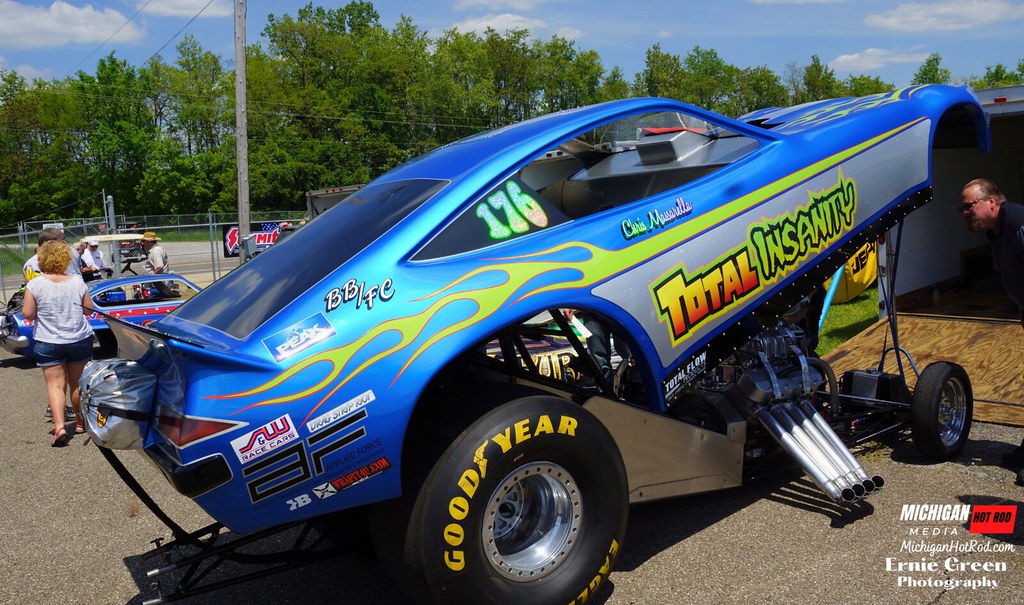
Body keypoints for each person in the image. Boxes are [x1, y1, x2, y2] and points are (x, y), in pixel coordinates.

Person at [959, 178, 1024, 486]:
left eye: (968, 206)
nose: (965, 212)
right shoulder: (996, 232)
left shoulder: (1018, 224)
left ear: (991, 202)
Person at [22, 240, 95, 447]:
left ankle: (60, 427)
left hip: (48, 340)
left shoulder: (35, 284)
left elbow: (28, 313)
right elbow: (88, 310)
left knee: (55, 385)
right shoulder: (77, 281)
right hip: (78, 338)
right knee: (77, 384)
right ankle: (80, 422)